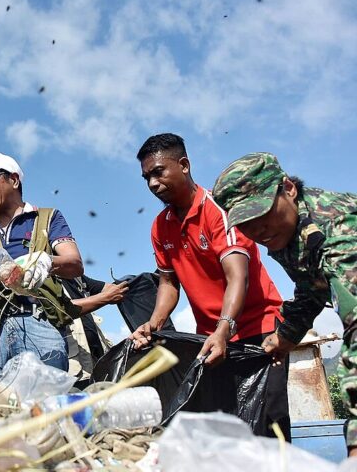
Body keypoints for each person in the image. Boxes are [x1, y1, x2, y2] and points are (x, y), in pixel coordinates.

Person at [130, 133, 289, 439]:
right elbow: (168, 282)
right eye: (146, 177)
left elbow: (237, 276)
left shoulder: (220, 209)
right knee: (224, 427)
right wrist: (154, 324)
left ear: (184, 165)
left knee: (268, 425)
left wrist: (223, 329)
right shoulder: (160, 226)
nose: (152, 183)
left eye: (158, 172)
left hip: (259, 330)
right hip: (211, 338)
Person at [212, 152, 357, 454]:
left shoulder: (337, 230)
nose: (257, 231)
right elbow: (312, 288)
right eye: (246, 223)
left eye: (261, 214)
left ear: (288, 188)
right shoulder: (289, 232)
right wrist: (286, 335)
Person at [0, 152, 84, 395]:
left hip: (38, 322)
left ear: (13, 180)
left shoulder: (48, 218)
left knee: (41, 404)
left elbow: (74, 263)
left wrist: (45, 260)